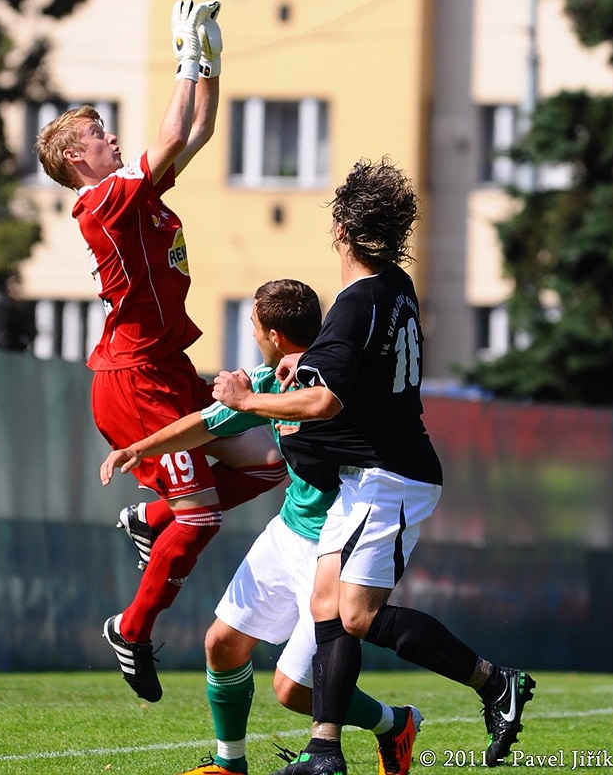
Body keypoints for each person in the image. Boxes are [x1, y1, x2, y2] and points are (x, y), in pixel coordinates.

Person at [212, 158, 537, 774]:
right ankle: (324, 751)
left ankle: (495, 683)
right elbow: (351, 377)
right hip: (376, 473)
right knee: (326, 607)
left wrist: (246, 398)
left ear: (340, 228)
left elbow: (324, 400)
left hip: (389, 474)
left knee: (354, 614)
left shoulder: (356, 303)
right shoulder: (396, 286)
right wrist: (304, 373)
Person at [34, 0, 286, 704]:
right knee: (201, 514)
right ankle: (132, 629)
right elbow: (174, 131)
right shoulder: (102, 201)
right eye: (97, 134)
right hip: (134, 380)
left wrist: (209, 60)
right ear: (73, 158)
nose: (110, 138)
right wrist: (182, 58)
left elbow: (196, 131)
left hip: (164, 369)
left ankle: (151, 517)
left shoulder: (130, 193)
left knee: (272, 462)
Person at [101, 278, 423, 775]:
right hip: (289, 531)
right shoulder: (270, 378)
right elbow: (207, 423)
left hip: (337, 547)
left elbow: (318, 408)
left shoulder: (332, 380)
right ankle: (230, 764)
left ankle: (394, 724)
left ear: (271, 333)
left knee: (294, 691)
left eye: (252, 323)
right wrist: (140, 447)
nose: (250, 332)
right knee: (221, 644)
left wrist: (248, 401)